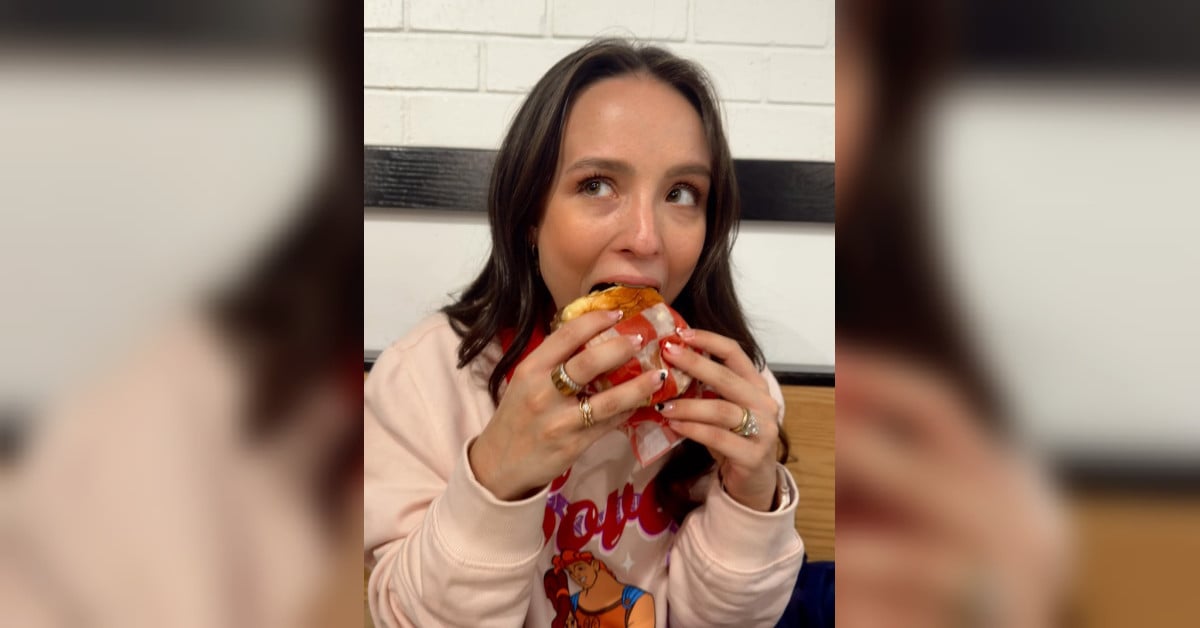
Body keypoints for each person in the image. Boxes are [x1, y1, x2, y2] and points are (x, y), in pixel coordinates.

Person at [364, 39, 804, 627]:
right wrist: (495, 475)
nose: (646, 239)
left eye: (681, 194)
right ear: (530, 214)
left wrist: (752, 501)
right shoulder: (425, 379)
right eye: (597, 184)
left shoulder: (732, 389)